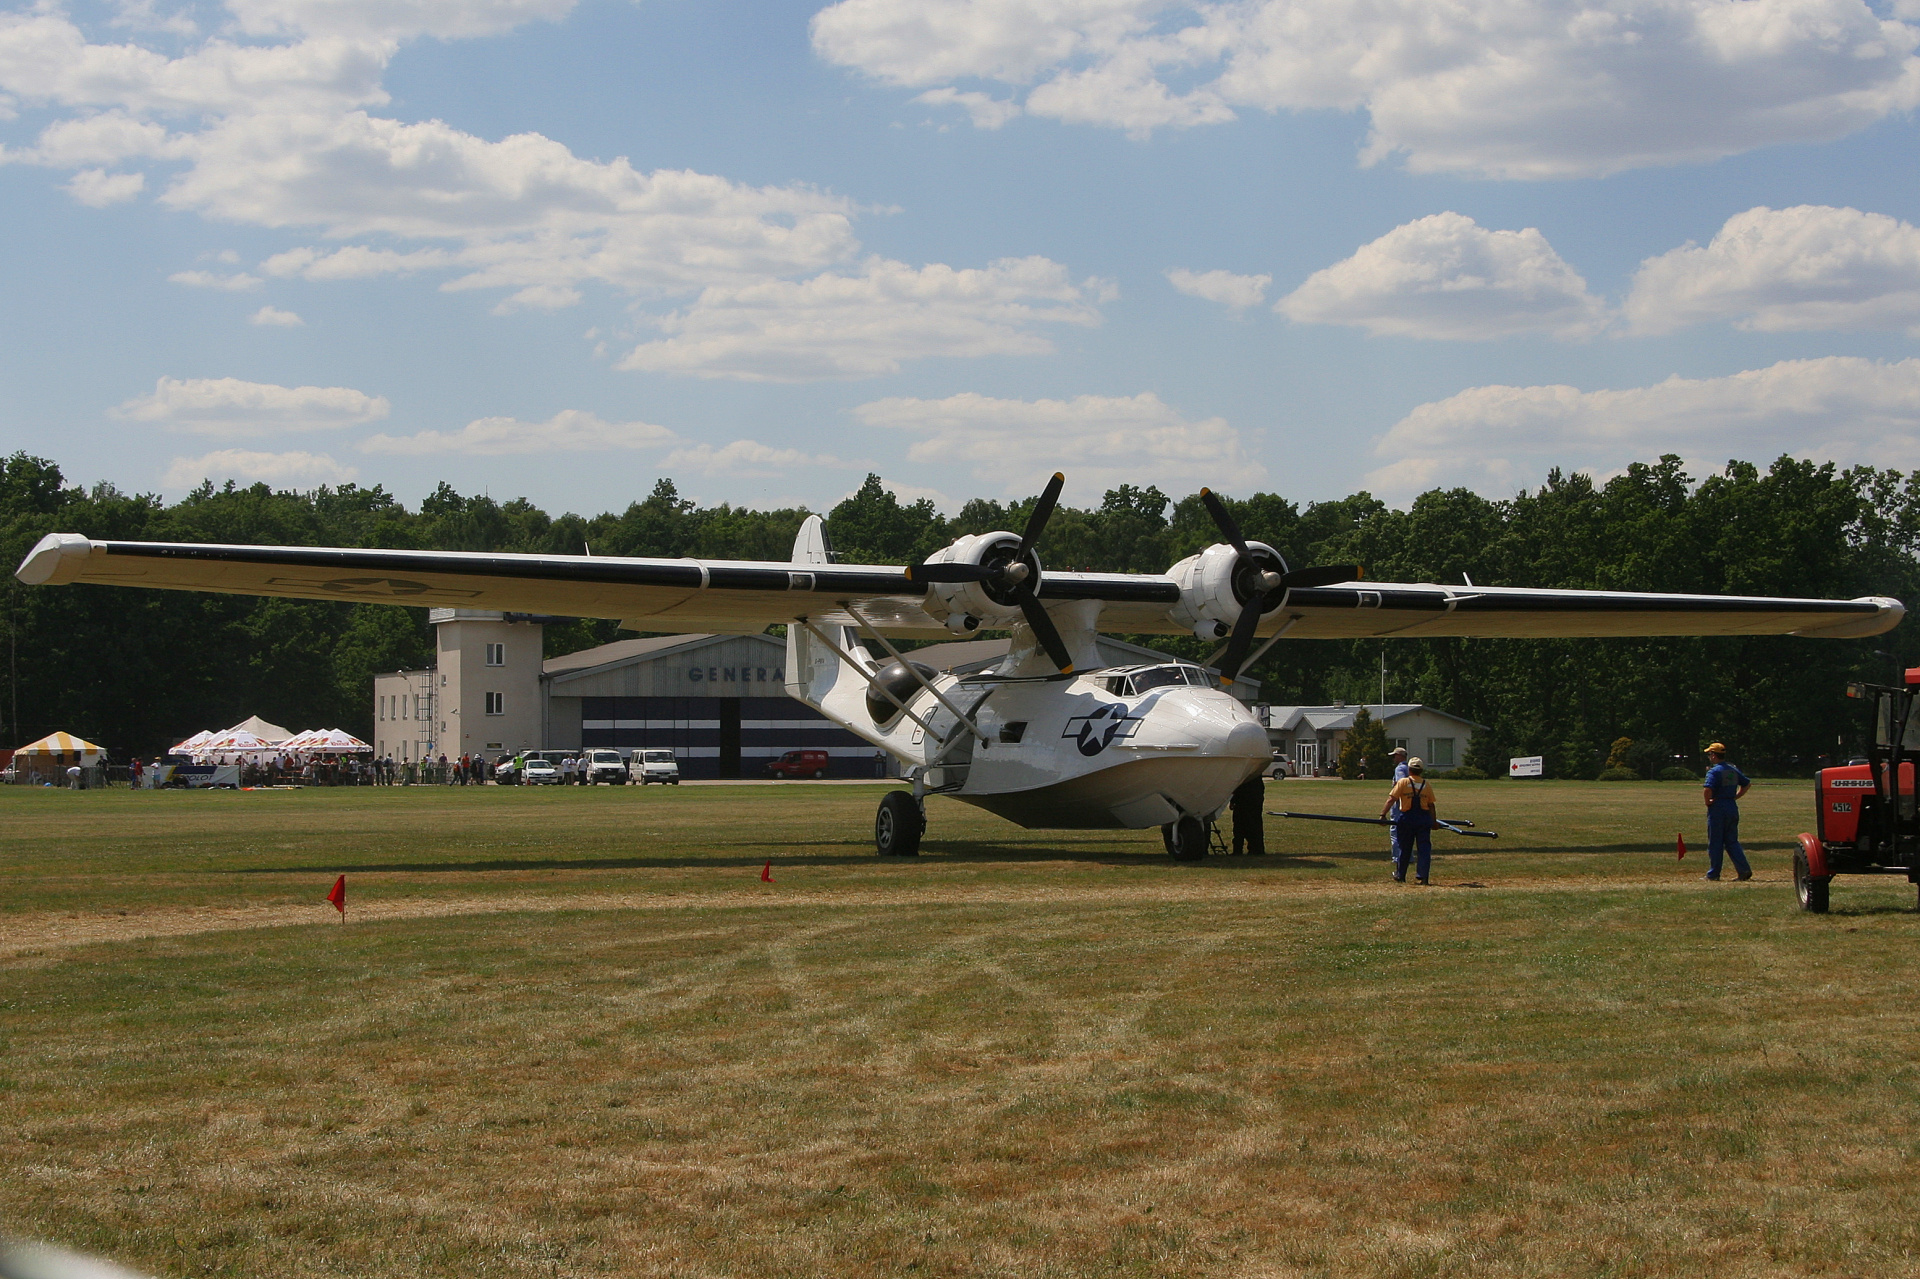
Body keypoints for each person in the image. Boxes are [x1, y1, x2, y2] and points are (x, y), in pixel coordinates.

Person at [1701, 742, 1752, 881]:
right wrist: (1735, 796)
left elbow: (1707, 789)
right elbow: (1746, 784)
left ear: (1713, 755)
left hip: (1718, 807)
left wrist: (1708, 802)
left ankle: (1713, 874)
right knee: (1732, 841)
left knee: (1716, 842)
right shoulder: (1732, 770)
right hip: (1731, 806)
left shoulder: (1714, 771)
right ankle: (1744, 870)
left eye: (1710, 754)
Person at [1382, 756, 1437, 884]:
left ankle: (1401, 875)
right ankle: (1423, 876)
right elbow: (1431, 805)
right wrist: (1433, 821)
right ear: (1421, 771)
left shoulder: (1403, 782)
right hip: (1423, 818)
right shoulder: (1426, 784)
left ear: (1409, 770)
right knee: (1424, 848)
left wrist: (1382, 814)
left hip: (1407, 818)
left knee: (1404, 848)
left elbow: (1392, 799)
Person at [1229, 772, 1266, 855]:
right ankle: (1256, 848)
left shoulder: (1243, 773)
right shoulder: (1256, 772)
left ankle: (1238, 849)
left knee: (1239, 826)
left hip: (1243, 800)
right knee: (1255, 825)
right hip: (1254, 799)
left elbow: (1238, 787)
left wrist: (1233, 800)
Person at [1385, 746, 1410, 860]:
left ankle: (1397, 857)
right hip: (1410, 803)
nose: (1393, 758)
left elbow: (1401, 783)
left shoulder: (1399, 769)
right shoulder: (1410, 768)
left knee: (1395, 830)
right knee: (1407, 832)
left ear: (1400, 756)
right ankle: (1408, 856)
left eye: (1395, 756)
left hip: (1399, 803)